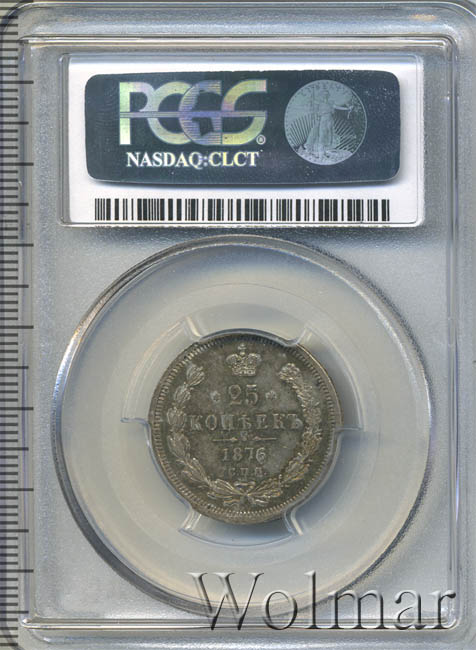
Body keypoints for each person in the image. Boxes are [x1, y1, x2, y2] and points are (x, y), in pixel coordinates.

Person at [303, 89, 352, 161]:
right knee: (321, 137)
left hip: (330, 121)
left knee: (330, 136)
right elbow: (312, 106)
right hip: (322, 121)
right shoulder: (319, 103)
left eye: (326, 94)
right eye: (324, 94)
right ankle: (320, 155)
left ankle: (326, 151)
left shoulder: (331, 102)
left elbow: (337, 107)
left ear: (328, 95)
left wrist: (347, 108)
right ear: (322, 96)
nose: (325, 96)